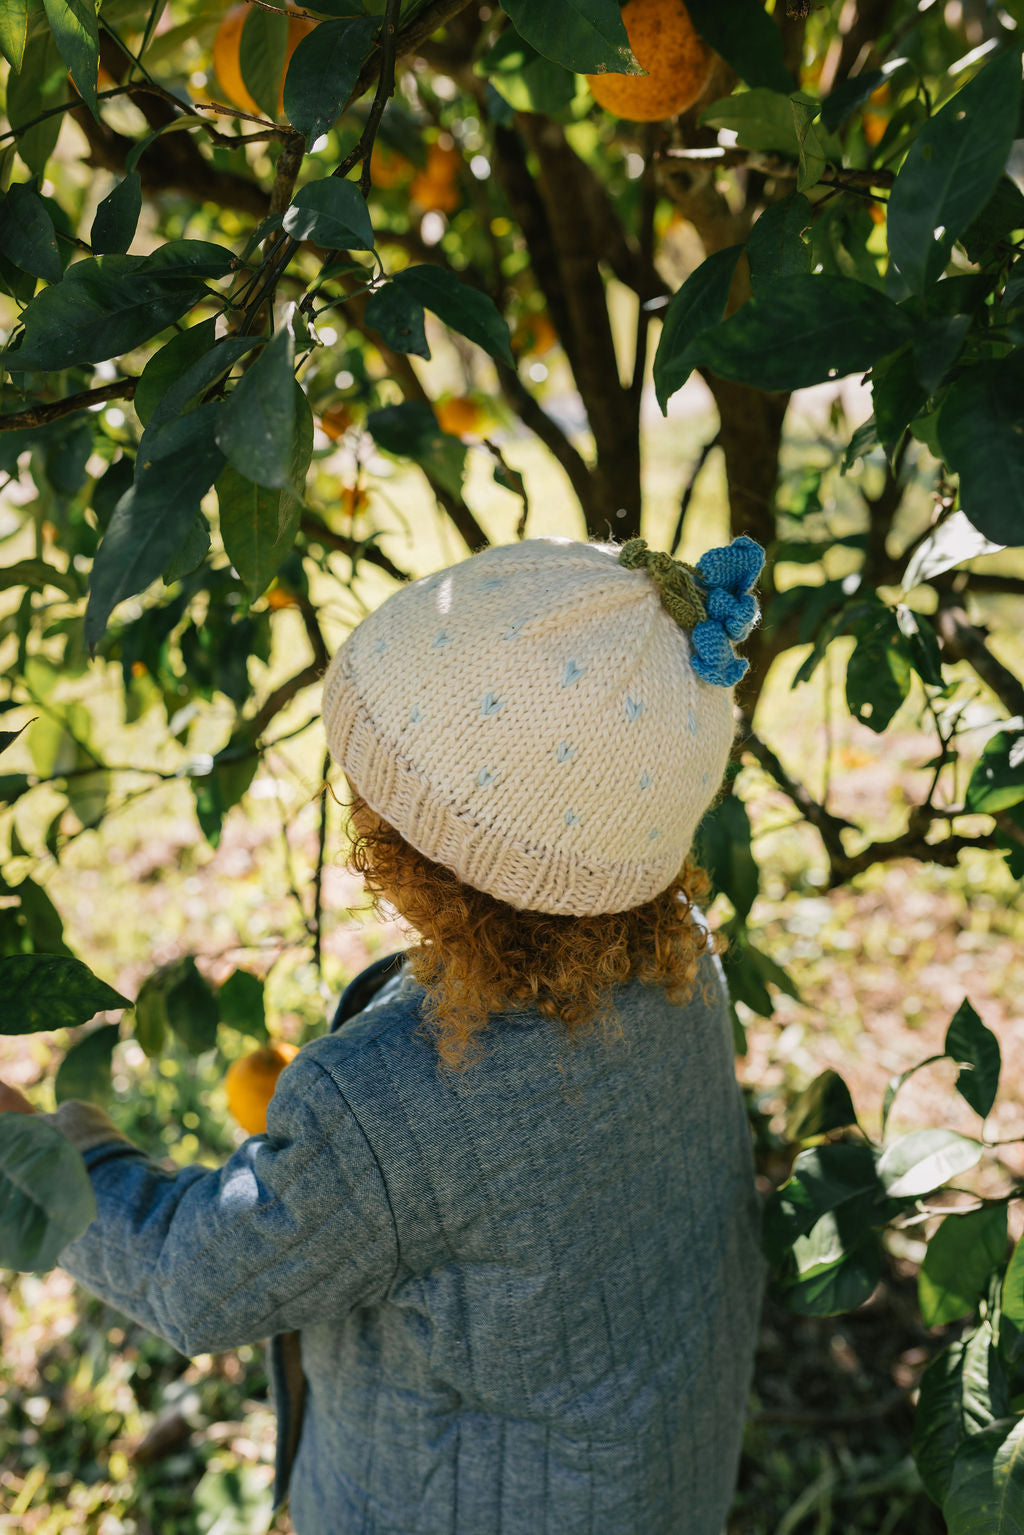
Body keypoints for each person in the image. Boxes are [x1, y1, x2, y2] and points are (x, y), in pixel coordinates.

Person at [0, 533, 766, 1534]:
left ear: (415, 850)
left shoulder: (390, 1105)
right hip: (660, 1475)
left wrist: (48, 1147)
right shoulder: (681, 955)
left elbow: (194, 1277)